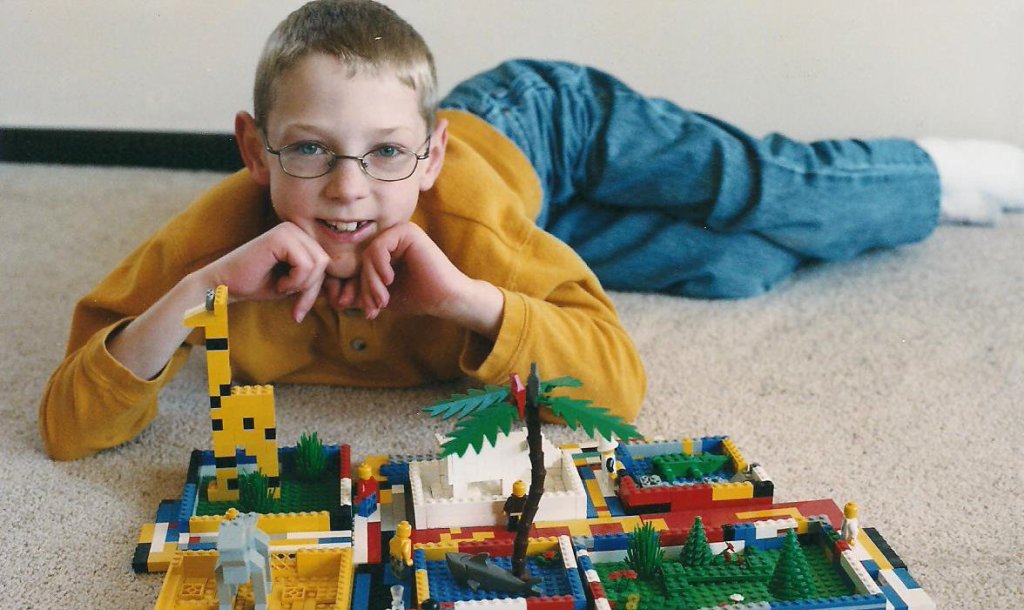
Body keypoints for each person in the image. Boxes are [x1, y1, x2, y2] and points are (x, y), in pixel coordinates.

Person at [39, 1, 1023, 461]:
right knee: (737, 269)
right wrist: (197, 295)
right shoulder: (214, 243)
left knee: (750, 188)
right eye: (310, 151)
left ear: (426, 155)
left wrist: (467, 300)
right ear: (254, 150)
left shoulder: (463, 225)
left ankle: (952, 174)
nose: (349, 189)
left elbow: (618, 383)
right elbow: (69, 424)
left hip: (545, 121)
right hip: (526, 205)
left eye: (384, 153)